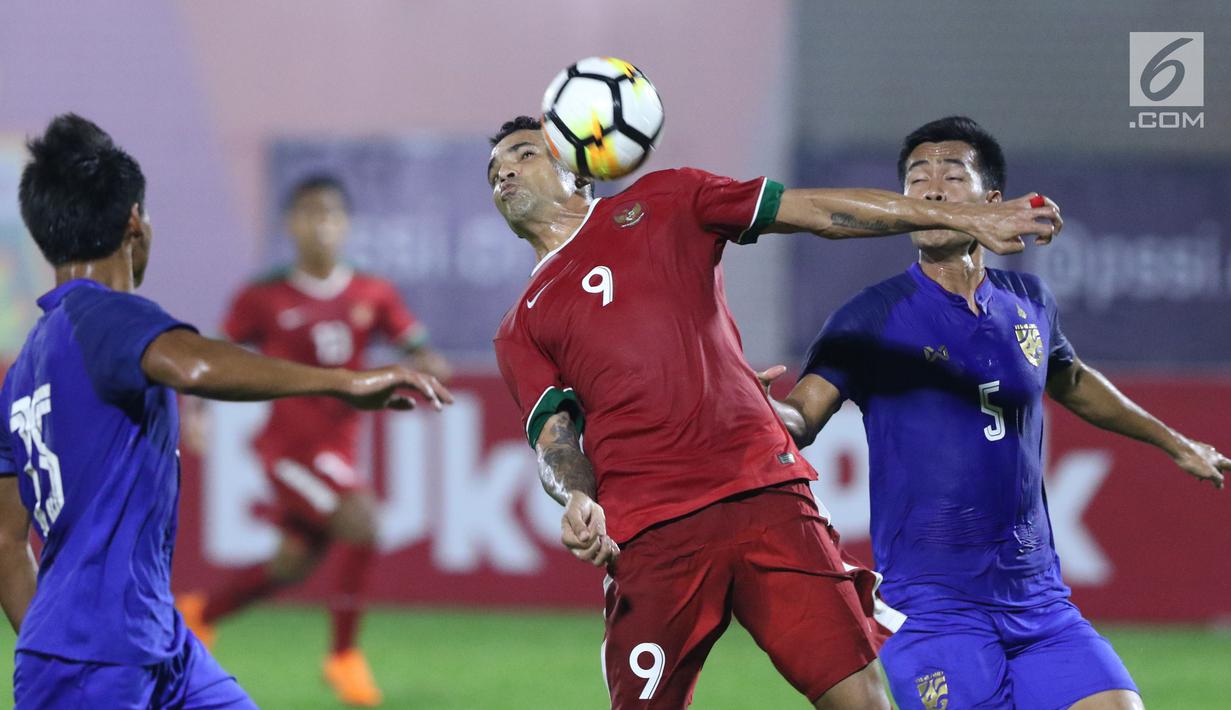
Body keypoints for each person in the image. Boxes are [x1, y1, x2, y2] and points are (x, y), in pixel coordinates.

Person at [486, 114, 1061, 709]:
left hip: (767, 495)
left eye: (524, 153)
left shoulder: (667, 199)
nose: (504, 169)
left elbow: (816, 212)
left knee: (862, 701)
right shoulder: (520, 326)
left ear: (576, 167)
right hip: (651, 533)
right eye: (494, 168)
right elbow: (555, 442)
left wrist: (963, 218)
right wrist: (576, 495)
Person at [762, 116, 1229, 710]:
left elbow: (1075, 381)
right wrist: (762, 413)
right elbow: (803, 416)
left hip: (1040, 604)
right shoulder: (870, 315)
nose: (930, 189)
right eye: (916, 178)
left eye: (951, 177)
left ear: (991, 202)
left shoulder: (1029, 302)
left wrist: (1175, 442)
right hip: (933, 610)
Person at [0, 113, 450, 710]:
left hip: (152, 645)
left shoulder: (26, 365)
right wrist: (345, 382)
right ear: (136, 223)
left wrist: (54, 642)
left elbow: (7, 543)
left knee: (294, 560)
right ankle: (342, 656)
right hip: (96, 661)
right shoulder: (107, 315)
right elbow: (194, 365)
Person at [177, 173, 450, 707]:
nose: (320, 225)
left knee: (291, 564)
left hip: (339, 449)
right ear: (290, 224)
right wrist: (199, 411)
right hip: (287, 451)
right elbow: (214, 356)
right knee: (363, 522)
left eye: (330, 214)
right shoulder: (264, 296)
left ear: (345, 224)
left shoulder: (373, 292)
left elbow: (416, 344)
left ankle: (199, 615)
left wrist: (428, 367)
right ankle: (343, 657)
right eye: (308, 214)